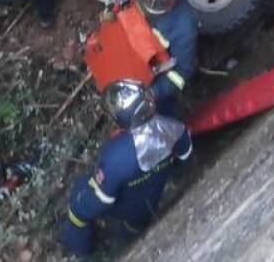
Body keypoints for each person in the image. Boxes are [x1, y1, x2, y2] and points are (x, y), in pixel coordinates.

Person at [59, 80, 193, 258]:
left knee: (78, 207)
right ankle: (128, 237)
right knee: (135, 223)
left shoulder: (117, 156)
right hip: (153, 196)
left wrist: (81, 204)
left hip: (127, 203)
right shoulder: (175, 128)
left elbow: (101, 200)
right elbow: (185, 160)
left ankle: (83, 253)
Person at [111, 0, 199, 115]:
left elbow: (182, 74)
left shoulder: (184, 29)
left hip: (149, 76)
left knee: (159, 111)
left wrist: (154, 92)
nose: (147, 13)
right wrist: (114, 3)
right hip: (121, 46)